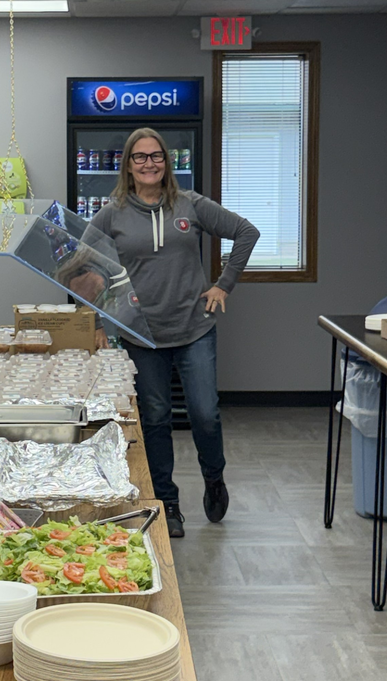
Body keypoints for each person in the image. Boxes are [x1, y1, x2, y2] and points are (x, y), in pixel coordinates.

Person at [85, 127, 259, 538]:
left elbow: (246, 232)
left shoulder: (190, 205)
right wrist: (96, 323)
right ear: (128, 165)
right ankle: (169, 504)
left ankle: (214, 478)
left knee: (204, 414)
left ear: (167, 161)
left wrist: (223, 284)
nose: (149, 163)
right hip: (141, 335)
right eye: (140, 157)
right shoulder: (112, 213)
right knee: (157, 419)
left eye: (156, 156)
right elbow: (84, 269)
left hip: (194, 328)